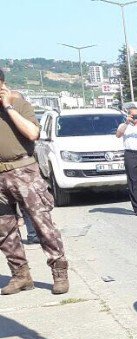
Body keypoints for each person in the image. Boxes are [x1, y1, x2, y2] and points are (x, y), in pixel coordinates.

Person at [0, 68, 68, 295]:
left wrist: (8, 106)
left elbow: (32, 133)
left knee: (42, 224)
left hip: (24, 172)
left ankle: (59, 272)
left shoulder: (20, 105)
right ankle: (21, 276)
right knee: (5, 230)